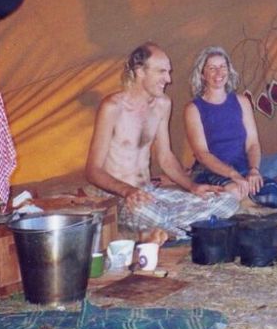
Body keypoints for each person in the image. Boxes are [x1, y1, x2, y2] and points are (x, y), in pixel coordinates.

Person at [85, 42, 240, 244]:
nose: (168, 79)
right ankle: (186, 227)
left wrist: (192, 186)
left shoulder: (162, 104)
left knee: (228, 201)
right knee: (148, 211)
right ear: (140, 71)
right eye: (162, 72)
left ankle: (170, 230)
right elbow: (92, 170)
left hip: (149, 193)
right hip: (120, 198)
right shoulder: (112, 107)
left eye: (168, 72)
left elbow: (165, 157)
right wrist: (127, 191)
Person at [184, 46, 277, 208]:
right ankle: (236, 200)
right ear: (202, 74)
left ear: (229, 70)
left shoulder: (242, 102)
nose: (218, 73)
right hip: (211, 171)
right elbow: (202, 154)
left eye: (223, 67)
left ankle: (238, 201)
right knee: (235, 191)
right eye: (212, 68)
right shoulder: (193, 108)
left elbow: (252, 143)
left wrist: (254, 170)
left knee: (271, 194)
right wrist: (233, 175)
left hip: (241, 168)